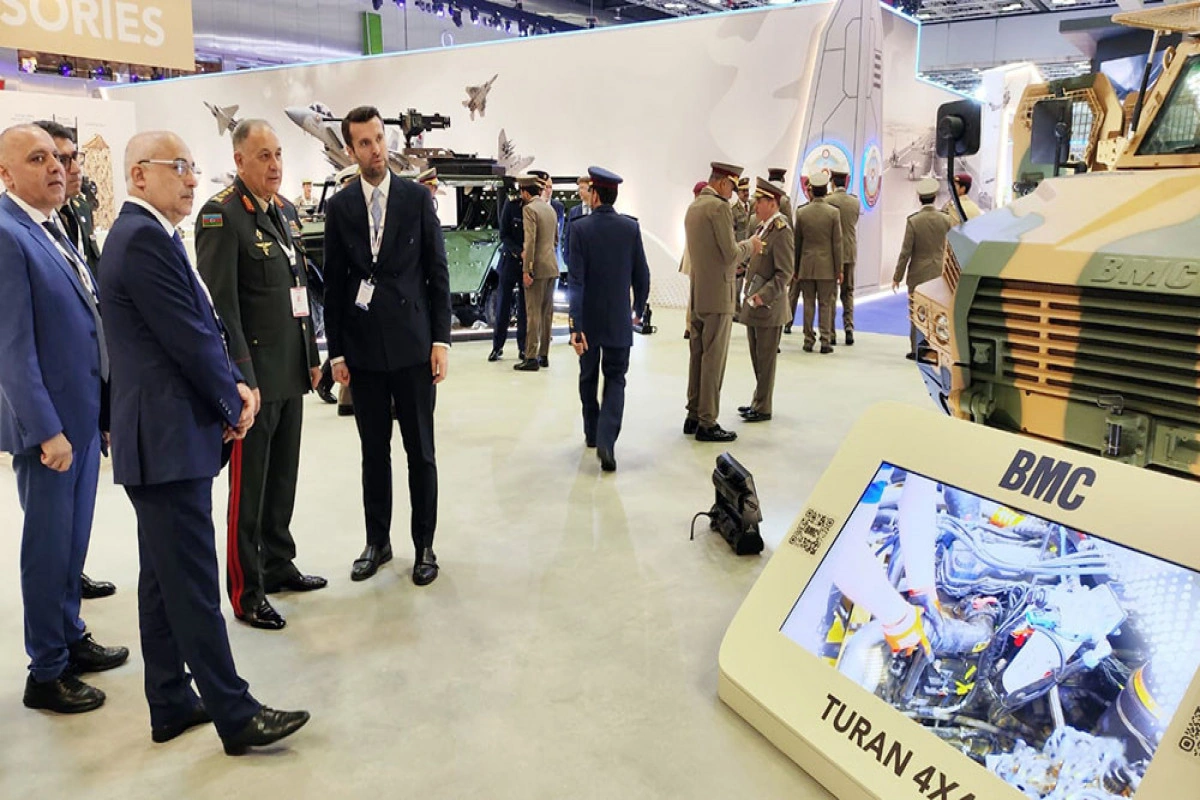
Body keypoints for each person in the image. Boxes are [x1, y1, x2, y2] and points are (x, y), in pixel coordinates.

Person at [100, 130, 309, 753]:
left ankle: (170, 699)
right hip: (166, 442)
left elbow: (198, 326)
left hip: (162, 439)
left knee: (163, 579)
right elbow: (189, 337)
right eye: (179, 167)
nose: (193, 178)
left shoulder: (151, 235)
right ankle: (234, 713)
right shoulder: (142, 239)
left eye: (194, 167)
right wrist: (233, 399)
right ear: (139, 175)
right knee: (191, 581)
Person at [0, 124, 129, 715]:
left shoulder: (53, 227)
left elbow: (87, 322)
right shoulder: (8, 235)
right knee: (48, 547)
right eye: (37, 159)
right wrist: (47, 430)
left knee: (73, 542)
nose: (56, 167)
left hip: (80, 418)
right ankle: (46, 670)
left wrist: (102, 410)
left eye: (56, 157)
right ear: (6, 174)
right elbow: (12, 350)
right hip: (50, 430)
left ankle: (69, 635)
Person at [195, 120, 327, 632]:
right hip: (253, 381)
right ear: (239, 161)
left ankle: (277, 560)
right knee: (247, 492)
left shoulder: (286, 212)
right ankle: (246, 590)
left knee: (281, 478)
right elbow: (221, 307)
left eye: (278, 154)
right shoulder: (222, 216)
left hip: (290, 371)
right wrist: (240, 378)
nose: (275, 165)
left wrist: (311, 355)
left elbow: (298, 293)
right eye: (263, 156)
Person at [324, 106, 451, 586]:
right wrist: (337, 352)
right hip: (363, 352)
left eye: (379, 139)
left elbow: (437, 273)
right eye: (364, 143)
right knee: (373, 452)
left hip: (414, 347)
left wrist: (441, 341)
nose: (375, 149)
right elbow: (335, 285)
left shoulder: (416, 199)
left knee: (421, 452)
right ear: (350, 149)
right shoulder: (340, 208)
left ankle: (425, 545)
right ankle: (377, 542)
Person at [34, 119, 117, 601]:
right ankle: (54, 627)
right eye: (55, 158)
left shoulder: (76, 210)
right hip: (54, 398)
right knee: (50, 527)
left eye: (71, 158)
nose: (69, 168)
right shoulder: (23, 231)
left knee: (77, 514)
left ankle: (73, 580)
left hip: (87, 387)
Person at [567, 167, 651, 473]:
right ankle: (607, 440)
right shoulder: (630, 228)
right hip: (618, 319)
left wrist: (576, 325)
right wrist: (637, 309)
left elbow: (576, 282)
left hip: (588, 320)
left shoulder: (579, 229)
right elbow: (642, 275)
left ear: (595, 195)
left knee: (588, 376)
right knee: (616, 378)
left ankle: (592, 433)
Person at [683, 162, 761, 443]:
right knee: (713, 360)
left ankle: (693, 414)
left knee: (697, 356)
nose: (732, 193)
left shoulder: (694, 207)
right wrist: (751, 245)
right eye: (732, 186)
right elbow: (730, 253)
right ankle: (708, 421)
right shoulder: (719, 208)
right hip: (718, 294)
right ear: (722, 182)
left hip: (699, 292)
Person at [736, 179, 794, 423]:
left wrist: (765, 295)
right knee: (757, 357)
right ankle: (757, 401)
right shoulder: (761, 228)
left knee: (766, 360)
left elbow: (785, 272)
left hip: (768, 306)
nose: (755, 205)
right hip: (754, 303)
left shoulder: (782, 231)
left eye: (759, 201)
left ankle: (763, 406)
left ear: (772, 203)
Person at [893, 177, 951, 360]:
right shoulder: (946, 219)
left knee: (917, 312)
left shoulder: (914, 221)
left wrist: (897, 277)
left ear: (919, 198)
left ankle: (916, 349)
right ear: (935, 196)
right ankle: (937, 349)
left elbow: (906, 252)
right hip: (939, 273)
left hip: (918, 274)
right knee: (939, 314)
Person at [793, 172, 843, 354]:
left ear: (812, 190)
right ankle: (825, 341)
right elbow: (837, 244)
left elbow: (797, 243)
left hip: (806, 265)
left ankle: (808, 340)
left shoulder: (802, 212)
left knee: (808, 303)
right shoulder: (833, 213)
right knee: (825, 304)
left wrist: (796, 268)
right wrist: (839, 269)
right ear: (826, 189)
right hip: (826, 266)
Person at [514, 173, 559, 372]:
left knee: (533, 314)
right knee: (547, 313)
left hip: (537, 269)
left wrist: (527, 269)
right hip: (552, 266)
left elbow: (530, 241)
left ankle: (531, 357)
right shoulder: (550, 209)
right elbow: (555, 240)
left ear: (525, 192)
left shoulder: (529, 209)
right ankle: (544, 355)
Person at [488, 177, 527, 362]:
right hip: (510, 262)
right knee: (503, 306)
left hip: (527, 264)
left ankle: (523, 347)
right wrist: (519, 252)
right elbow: (504, 234)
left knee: (524, 308)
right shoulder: (511, 206)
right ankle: (497, 346)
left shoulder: (534, 208)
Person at [826, 169, 860, 346]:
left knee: (831, 293)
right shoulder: (855, 202)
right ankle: (849, 329)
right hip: (849, 252)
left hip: (832, 254)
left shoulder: (828, 201)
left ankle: (831, 332)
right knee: (848, 292)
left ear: (832, 183)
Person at [679, 180, 707, 340]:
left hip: (693, 257)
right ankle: (690, 327)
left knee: (695, 293)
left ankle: (691, 326)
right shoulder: (699, 210)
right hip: (697, 258)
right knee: (695, 294)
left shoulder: (693, 209)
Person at [561, 174, 592, 267]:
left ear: (590, 189)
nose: (580, 191)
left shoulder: (597, 210)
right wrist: (567, 258)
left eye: (582, 188)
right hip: (575, 260)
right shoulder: (574, 211)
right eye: (579, 188)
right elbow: (568, 235)